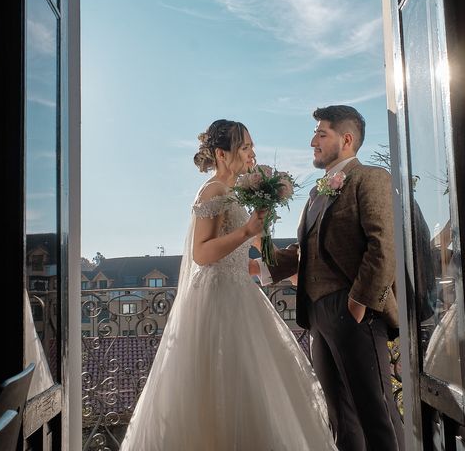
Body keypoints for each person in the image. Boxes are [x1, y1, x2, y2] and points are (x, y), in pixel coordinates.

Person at [120, 119, 337, 451]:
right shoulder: (214, 191)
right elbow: (202, 254)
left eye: (252, 146)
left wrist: (275, 259)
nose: (252, 153)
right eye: (245, 147)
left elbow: (236, 259)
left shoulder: (232, 192)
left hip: (239, 293)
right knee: (226, 388)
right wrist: (248, 232)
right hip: (219, 302)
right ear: (221, 154)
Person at [254, 105, 405, 451]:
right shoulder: (316, 192)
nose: (312, 141)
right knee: (339, 418)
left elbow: (383, 245)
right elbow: (305, 251)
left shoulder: (370, 178)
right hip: (318, 315)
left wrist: (358, 303)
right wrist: (261, 263)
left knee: (376, 413)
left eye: (322, 133)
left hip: (354, 310)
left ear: (347, 139)